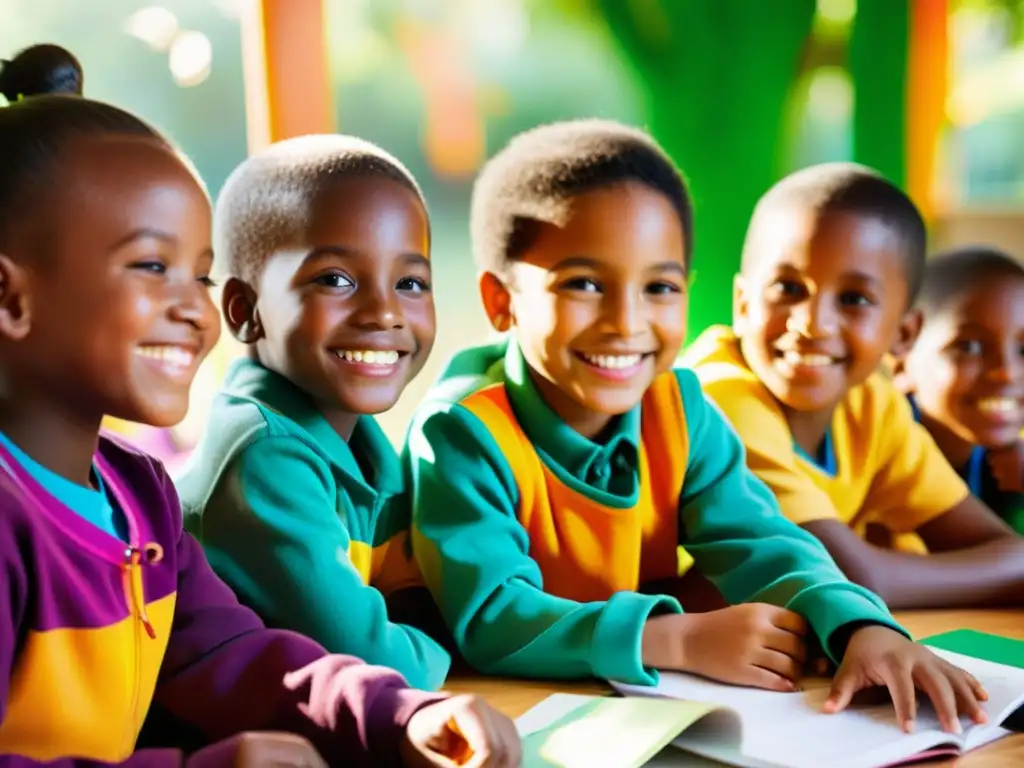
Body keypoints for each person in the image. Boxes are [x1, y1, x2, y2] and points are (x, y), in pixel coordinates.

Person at [0, 43, 518, 767]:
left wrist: (397, 716)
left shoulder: (136, 493)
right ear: (9, 296)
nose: (193, 309)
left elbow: (232, 652)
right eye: (152, 266)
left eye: (200, 276)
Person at [405, 120, 987, 734]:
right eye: (583, 284)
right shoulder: (461, 431)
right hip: (493, 716)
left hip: (625, 709)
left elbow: (761, 541)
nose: (625, 322)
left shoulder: (679, 410)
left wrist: (859, 626)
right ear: (502, 300)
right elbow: (494, 619)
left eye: (659, 286)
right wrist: (675, 639)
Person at [176, 134, 452, 691]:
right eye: (336, 280)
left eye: (410, 282)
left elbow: (415, 597)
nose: (383, 312)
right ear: (245, 310)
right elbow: (378, 661)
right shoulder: (263, 455)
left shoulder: (364, 442)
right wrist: (451, 646)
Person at [683, 162, 1024, 613]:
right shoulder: (720, 398)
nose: (812, 324)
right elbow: (848, 577)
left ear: (903, 334)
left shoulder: (871, 405)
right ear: (742, 305)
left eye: (853, 299)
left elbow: (1006, 552)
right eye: (788, 288)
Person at [890, 246, 1024, 533]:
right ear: (900, 360)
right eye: (970, 347)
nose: (1007, 371)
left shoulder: (1007, 461)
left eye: (1023, 349)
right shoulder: (877, 453)